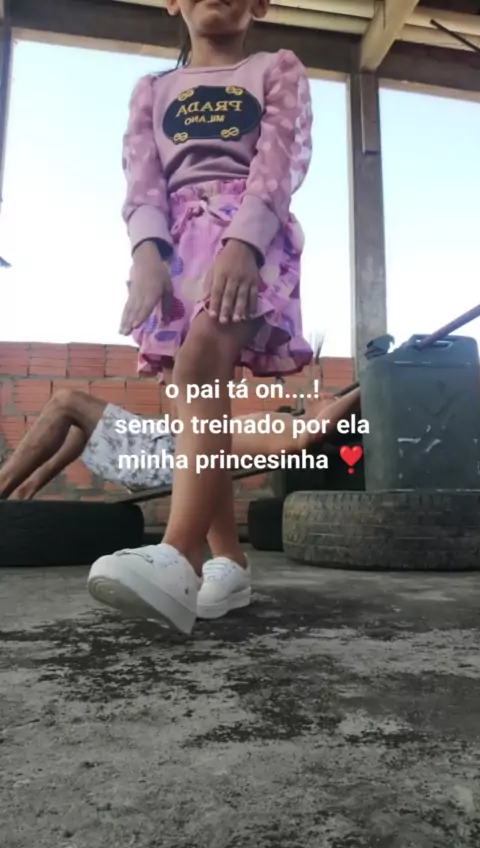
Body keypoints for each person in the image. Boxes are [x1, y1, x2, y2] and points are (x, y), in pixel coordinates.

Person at [87, 0, 315, 635]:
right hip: (176, 245)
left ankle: (177, 553)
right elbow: (142, 180)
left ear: (260, 3)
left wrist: (245, 243)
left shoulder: (277, 68)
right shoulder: (152, 90)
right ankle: (228, 562)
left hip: (251, 234)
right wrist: (146, 254)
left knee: (198, 363)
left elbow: (280, 160)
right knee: (193, 401)